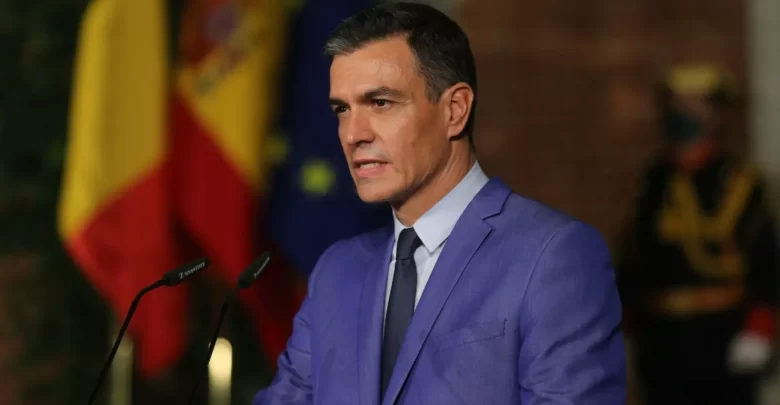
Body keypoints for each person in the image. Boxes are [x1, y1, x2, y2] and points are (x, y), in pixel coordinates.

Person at [253, 3, 626, 404]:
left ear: (455, 110)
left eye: (380, 103)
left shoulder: (554, 256)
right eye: (342, 109)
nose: (352, 134)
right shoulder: (336, 270)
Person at [618, 64, 779, 405]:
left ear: (715, 115)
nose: (683, 114)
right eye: (677, 105)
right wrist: (622, 326)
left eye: (695, 105)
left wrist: (760, 327)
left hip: (724, 333)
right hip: (662, 337)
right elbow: (635, 258)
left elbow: (766, 260)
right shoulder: (654, 180)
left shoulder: (740, 182)